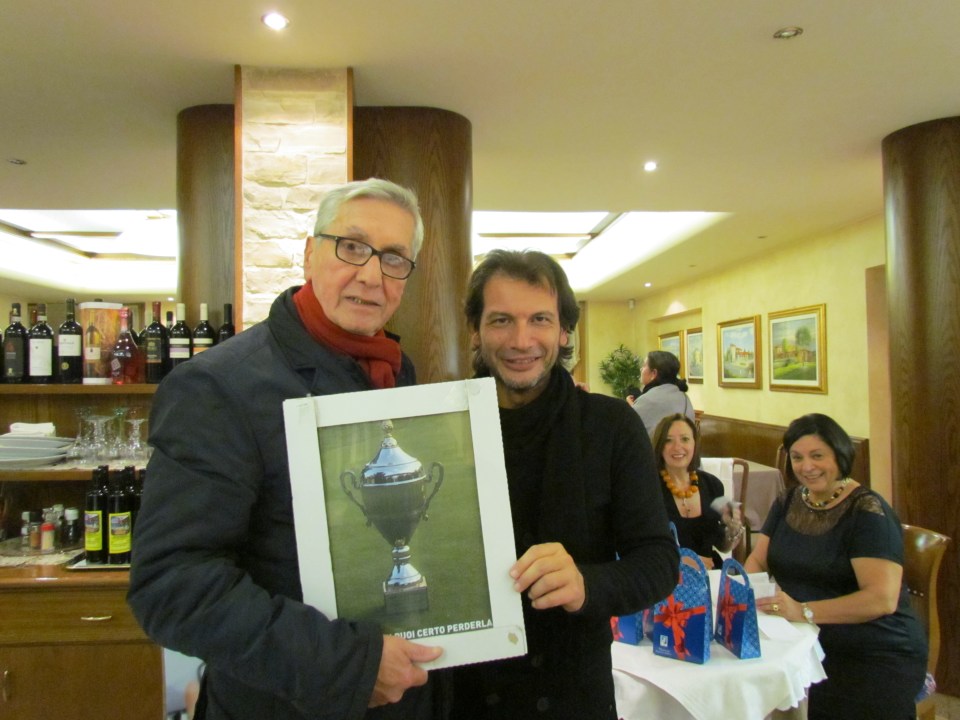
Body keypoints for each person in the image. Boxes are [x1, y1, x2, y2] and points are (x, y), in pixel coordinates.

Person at [127, 178, 447, 720]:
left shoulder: (395, 370)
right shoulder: (219, 386)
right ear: (309, 253)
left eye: (394, 258)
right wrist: (347, 663)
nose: (371, 275)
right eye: (352, 247)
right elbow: (171, 585)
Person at [450, 249, 679, 719]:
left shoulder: (611, 426)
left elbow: (659, 561)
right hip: (458, 692)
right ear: (475, 331)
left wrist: (585, 583)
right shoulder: (442, 424)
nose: (521, 340)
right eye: (501, 321)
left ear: (564, 331)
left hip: (573, 692)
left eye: (539, 319)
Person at [744, 413, 927, 720]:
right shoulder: (788, 501)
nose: (807, 467)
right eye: (797, 457)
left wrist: (802, 611)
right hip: (804, 640)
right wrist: (746, 593)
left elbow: (881, 599)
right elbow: (757, 560)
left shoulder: (867, 512)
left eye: (817, 456)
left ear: (840, 456)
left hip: (873, 649)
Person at [652, 413, 744, 569]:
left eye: (685, 439)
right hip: (665, 573)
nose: (677, 447)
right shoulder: (649, 487)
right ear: (660, 446)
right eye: (668, 440)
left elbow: (721, 545)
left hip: (708, 574)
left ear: (694, 443)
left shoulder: (712, 485)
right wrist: (682, 560)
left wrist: (732, 528)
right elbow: (639, 545)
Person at [632, 350, 695, 437]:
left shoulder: (646, 400)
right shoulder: (684, 398)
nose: (641, 369)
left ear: (654, 373)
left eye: (644, 365)